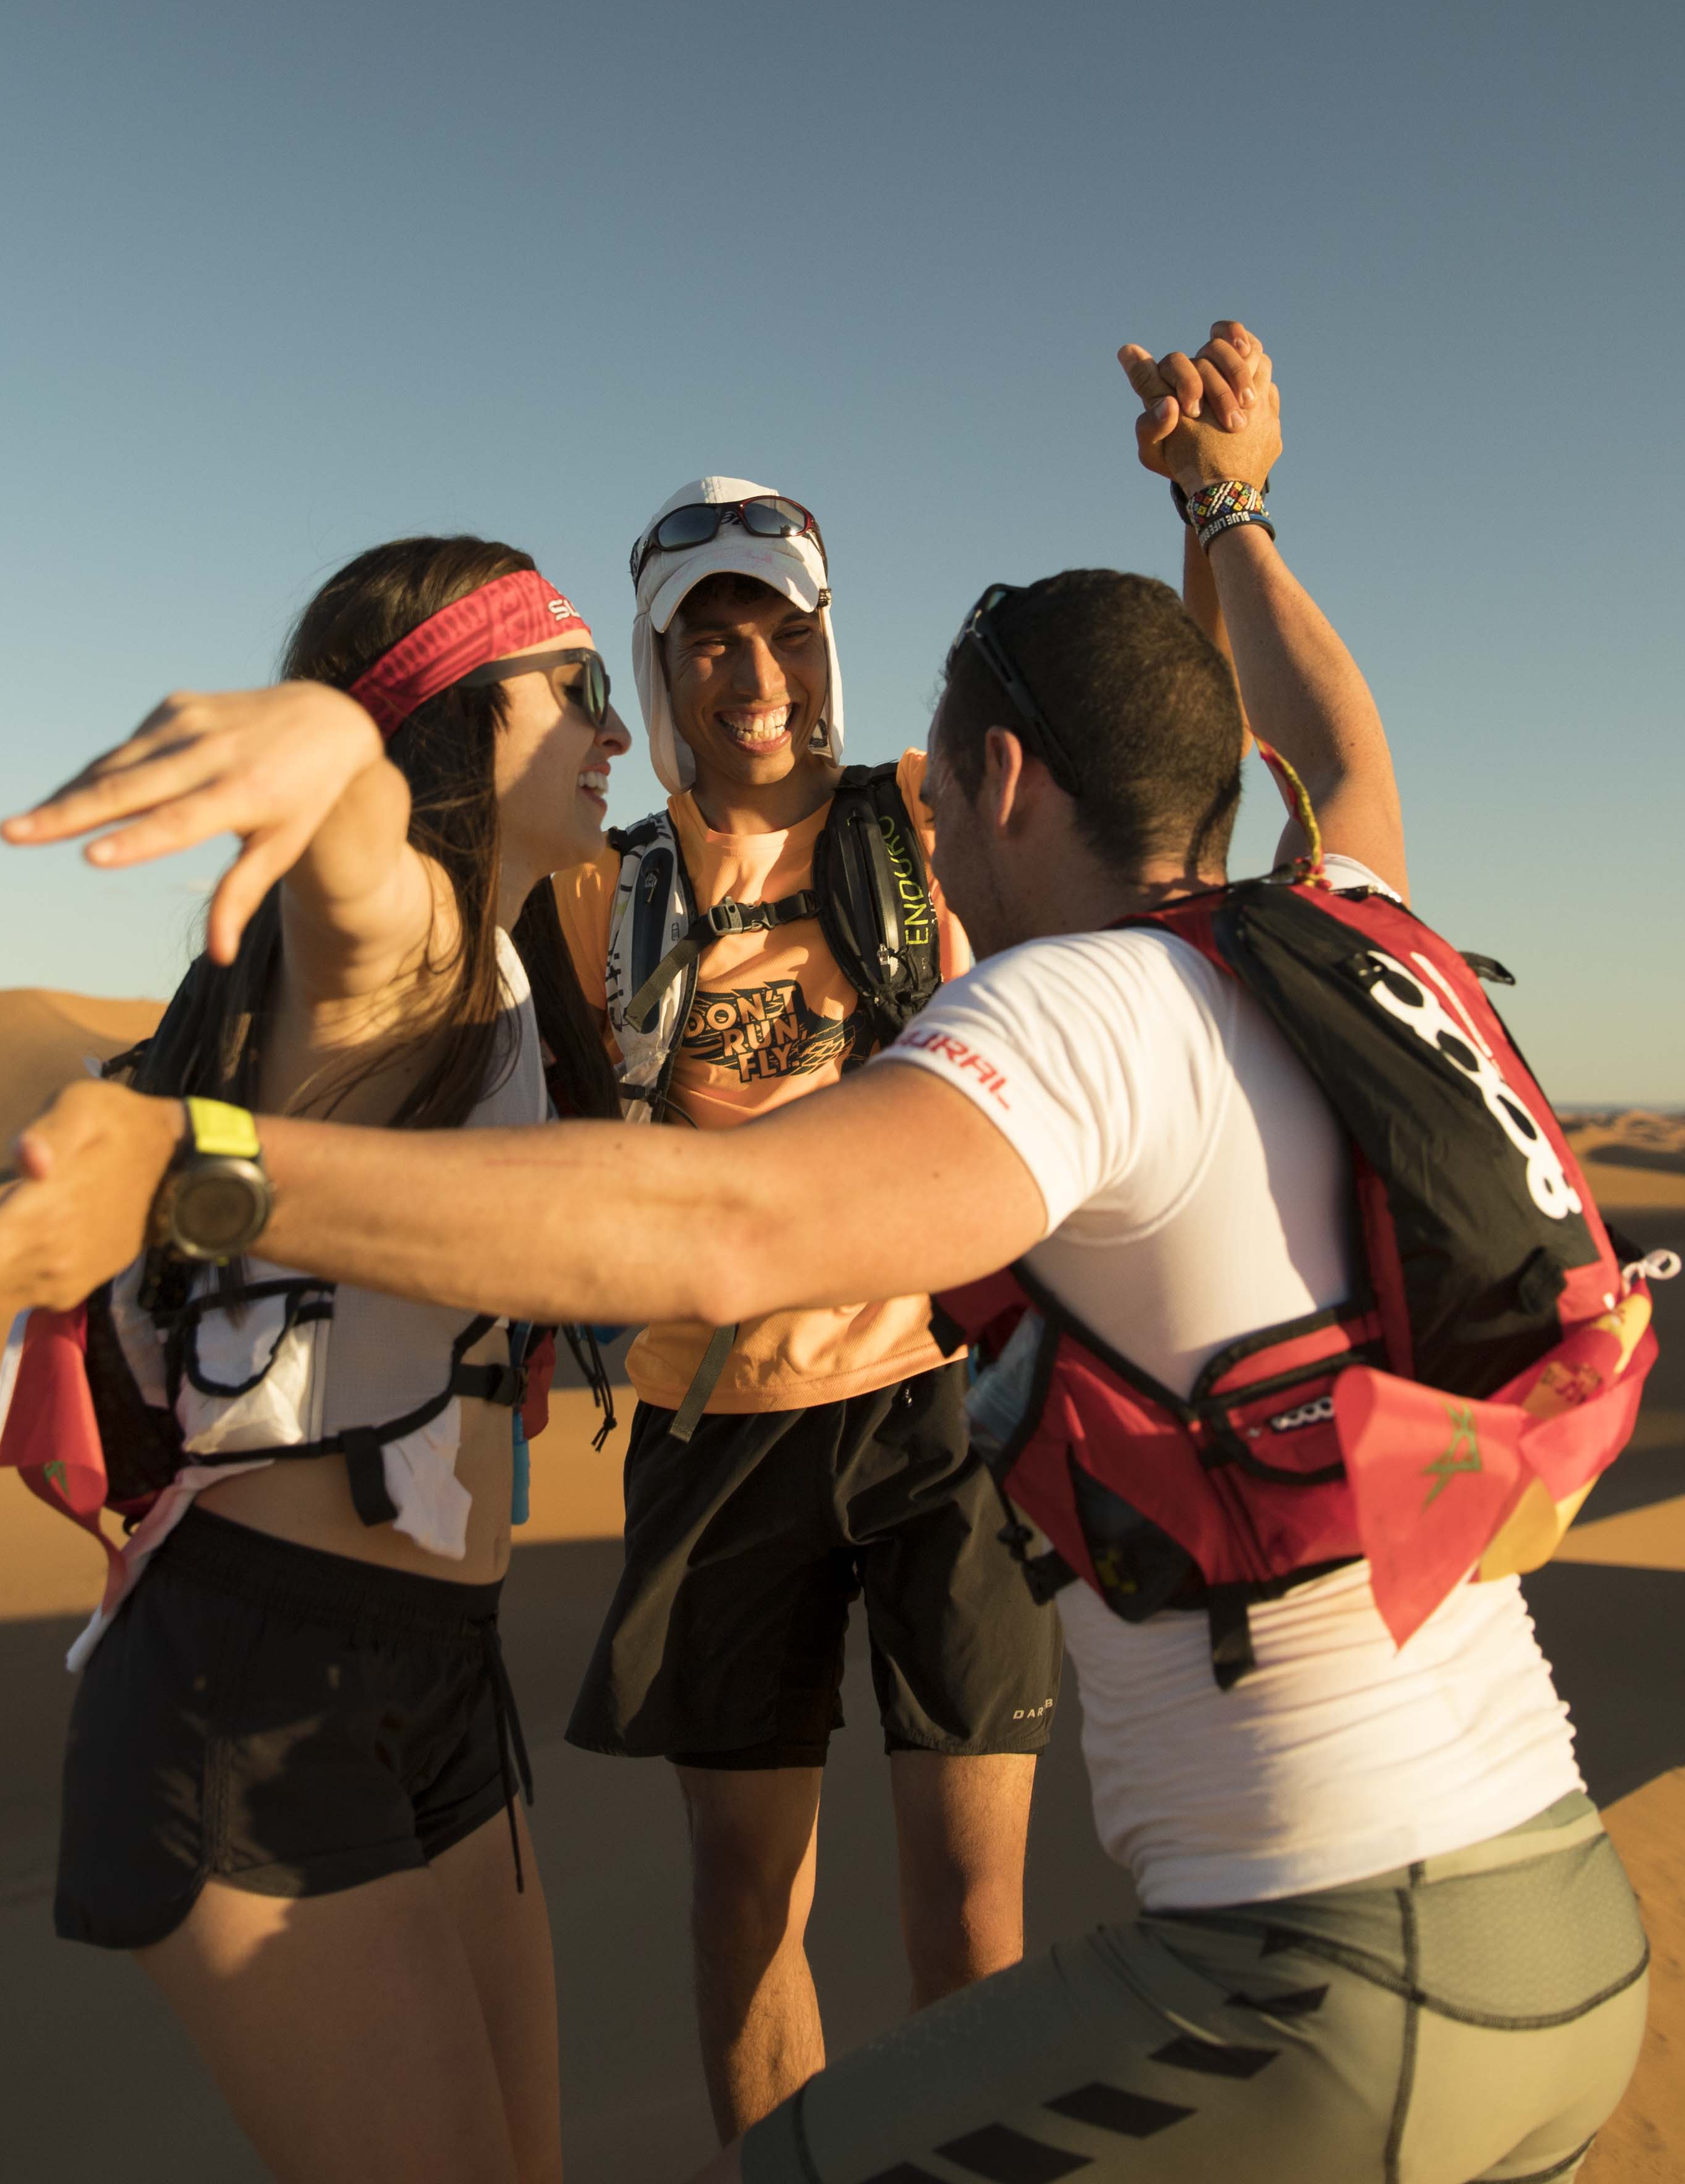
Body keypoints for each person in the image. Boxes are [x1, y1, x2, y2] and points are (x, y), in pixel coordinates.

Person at [0, 329, 1658, 2184]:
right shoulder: (1349, 923)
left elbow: (722, 1227)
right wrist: (1230, 509)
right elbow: (1325, 746)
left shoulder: (1074, 1012)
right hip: (1560, 1927)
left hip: (1305, 1961)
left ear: (996, 780)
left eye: (940, 778)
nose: (912, 808)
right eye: (642, 667)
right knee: (738, 1926)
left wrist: (209, 1172)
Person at [0, 535, 630, 2184]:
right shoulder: (399, 948)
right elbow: (357, 854)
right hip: (258, 1687)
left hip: (437, 1676)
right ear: (451, 719)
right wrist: (333, 745)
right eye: (573, 688)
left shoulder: (504, 961)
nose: (610, 728)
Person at [565, 479, 1057, 2142]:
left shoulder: (925, 817)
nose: (755, 674)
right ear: (657, 666)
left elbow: (1156, 800)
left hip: (944, 1403)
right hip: (712, 1427)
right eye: (711, 639)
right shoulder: (602, 892)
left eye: (783, 630)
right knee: (744, 1898)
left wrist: (1220, 517)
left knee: (973, 1904)